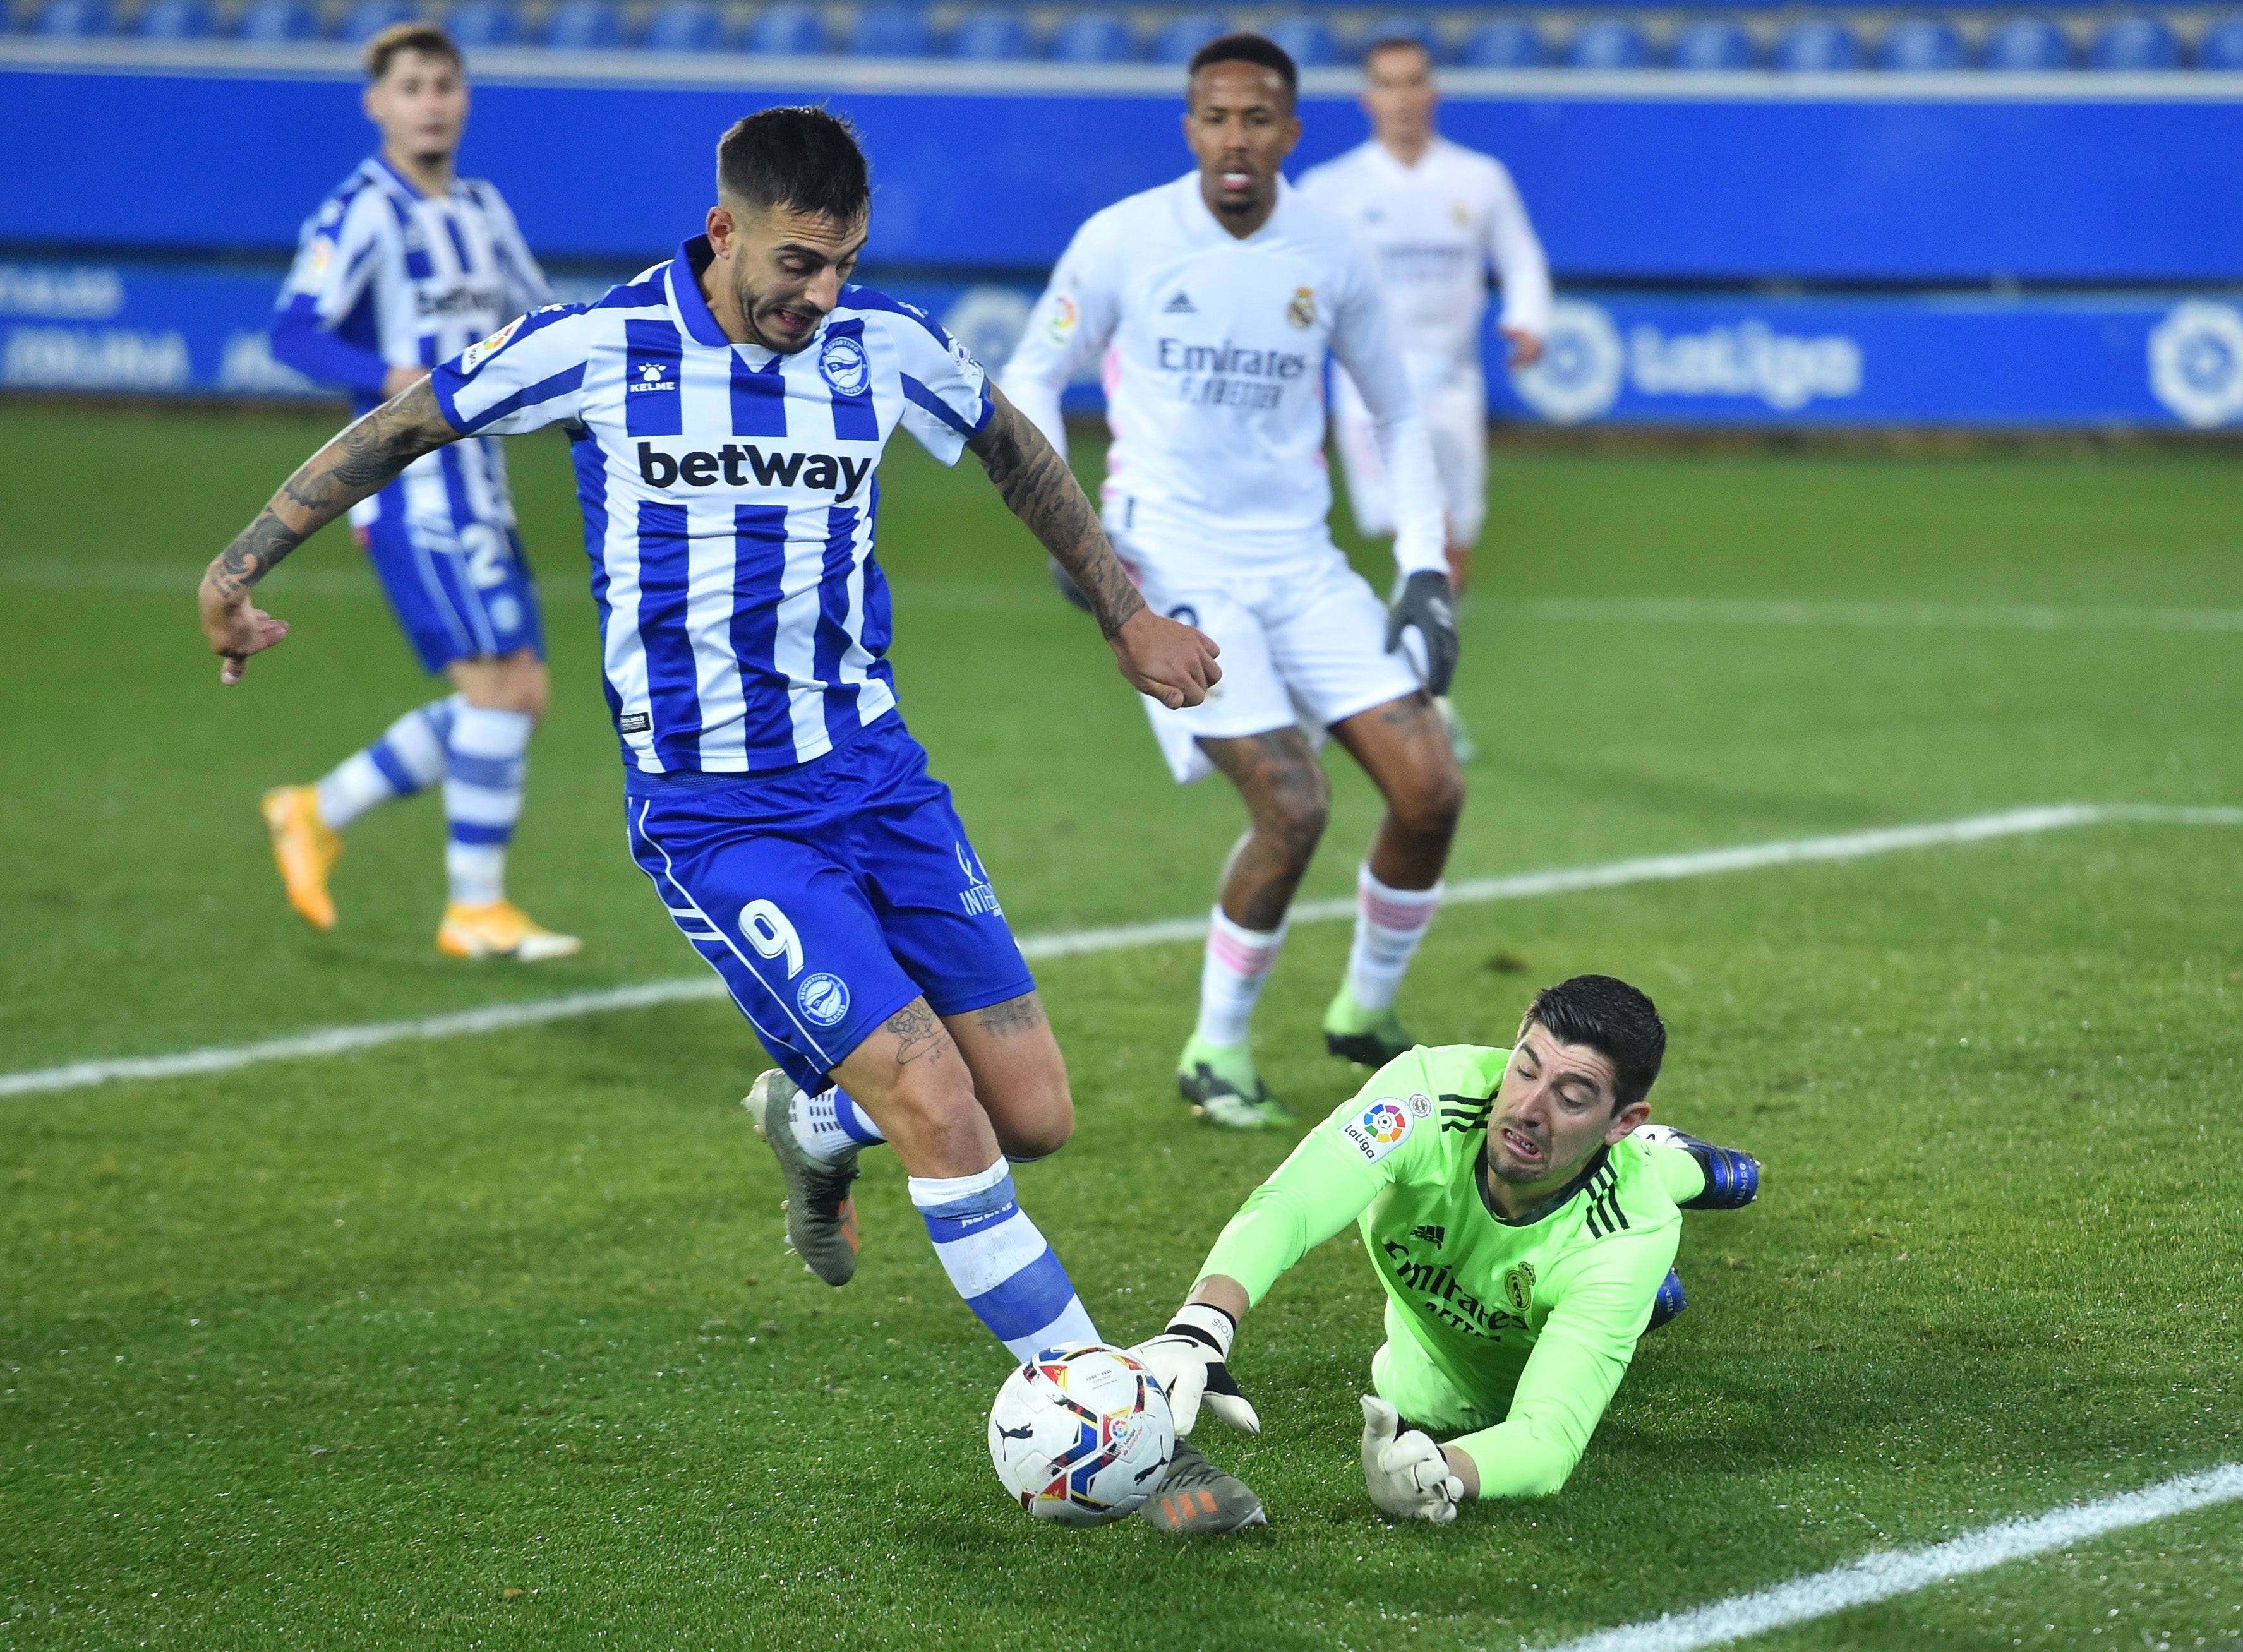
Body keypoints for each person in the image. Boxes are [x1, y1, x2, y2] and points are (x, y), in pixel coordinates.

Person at [195, 107, 1220, 1396]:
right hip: (720, 815)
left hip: (881, 780)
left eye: (843, 261)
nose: (823, 291)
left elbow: (1013, 447)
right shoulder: (598, 347)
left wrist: (1126, 614)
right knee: (946, 1116)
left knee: (1035, 1116)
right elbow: (404, 427)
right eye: (798, 263)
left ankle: (809, 1117)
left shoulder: (879, 344)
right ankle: (1103, 1411)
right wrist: (237, 571)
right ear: (722, 231)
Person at [1001, 34, 1467, 1130]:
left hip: (1301, 563)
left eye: (1257, 119)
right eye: (1214, 117)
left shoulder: (1331, 249)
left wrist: (1419, 567)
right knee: (1292, 803)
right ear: (1189, 130)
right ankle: (1215, 1048)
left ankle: (1363, 1012)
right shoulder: (1122, 239)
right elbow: (1029, 378)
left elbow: (1396, 413)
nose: (1235, 139)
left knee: (1430, 790)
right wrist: (1086, 551)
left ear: (1290, 133)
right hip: (1170, 560)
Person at [1135, 976, 1760, 1528]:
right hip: (1443, 1347)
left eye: (1571, 1098)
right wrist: (1200, 1325)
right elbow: (1291, 1202)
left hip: (1599, 1227)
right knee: (1436, 1384)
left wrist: (1443, 1469)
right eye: (1524, 1069)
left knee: (1636, 1212)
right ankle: (1657, 1209)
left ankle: (1672, 1161)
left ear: (1619, 1118)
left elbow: (1547, 1439)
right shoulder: (1425, 1097)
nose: (1527, 1109)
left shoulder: (1629, 1232)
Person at [260, 23, 576, 960]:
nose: (430, 101)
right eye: (411, 87)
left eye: (444, 83)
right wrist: (389, 367)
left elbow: (539, 316)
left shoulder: (483, 208)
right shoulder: (361, 209)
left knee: (517, 696)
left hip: (483, 480)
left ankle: (318, 808)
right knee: (498, 690)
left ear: (464, 96)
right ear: (378, 104)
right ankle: (472, 909)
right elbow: (293, 332)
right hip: (412, 490)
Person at [1297, 35, 1551, 597]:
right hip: (1369, 386)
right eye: (1388, 84)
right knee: (1421, 526)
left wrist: (1529, 319)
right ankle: (1409, 674)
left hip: (1453, 383)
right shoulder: (1329, 188)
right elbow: (1291, 279)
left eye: (1413, 82)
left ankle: (1427, 669)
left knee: (1454, 539)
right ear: (1368, 97)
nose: (1403, 98)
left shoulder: (1479, 179)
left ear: (1433, 91)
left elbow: (1521, 259)